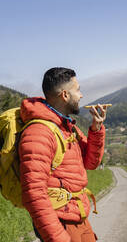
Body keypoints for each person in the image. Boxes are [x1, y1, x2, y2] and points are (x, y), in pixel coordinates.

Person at [18, 67, 107, 242]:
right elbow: (33, 193)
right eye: (78, 90)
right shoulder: (39, 133)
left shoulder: (67, 127)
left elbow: (91, 163)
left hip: (78, 215)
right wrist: (58, 238)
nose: (81, 95)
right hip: (61, 222)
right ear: (65, 95)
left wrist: (96, 129)